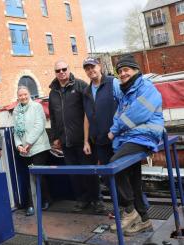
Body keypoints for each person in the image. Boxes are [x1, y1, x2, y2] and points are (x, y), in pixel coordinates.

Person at [108, 55, 164, 236]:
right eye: (120, 71)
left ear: (136, 71)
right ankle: (145, 220)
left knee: (114, 166)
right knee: (133, 179)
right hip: (132, 138)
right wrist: (116, 130)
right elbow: (119, 114)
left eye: (126, 70)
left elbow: (135, 115)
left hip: (144, 138)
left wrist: (114, 130)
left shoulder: (146, 88)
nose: (123, 74)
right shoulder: (127, 92)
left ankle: (130, 210)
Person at [48, 60, 102, 213]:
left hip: (83, 139)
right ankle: (82, 200)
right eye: (58, 70)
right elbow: (53, 117)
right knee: (74, 173)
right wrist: (55, 137)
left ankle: (96, 200)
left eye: (64, 69)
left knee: (89, 171)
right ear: (55, 73)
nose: (61, 72)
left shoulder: (80, 86)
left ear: (69, 69)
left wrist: (89, 138)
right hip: (65, 140)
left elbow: (89, 111)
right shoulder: (53, 93)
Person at [82, 57, 122, 212]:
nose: (91, 70)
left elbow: (124, 105)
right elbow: (87, 116)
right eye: (87, 68)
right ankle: (119, 209)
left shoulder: (113, 82)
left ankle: (137, 210)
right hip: (99, 141)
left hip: (117, 138)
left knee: (124, 174)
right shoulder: (86, 91)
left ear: (99, 66)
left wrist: (116, 130)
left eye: (93, 66)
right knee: (107, 177)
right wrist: (86, 140)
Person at [13, 86, 51, 216]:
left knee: (36, 174)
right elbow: (16, 130)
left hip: (38, 146)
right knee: (32, 175)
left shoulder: (36, 107)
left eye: (25, 94)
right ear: (17, 97)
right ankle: (44, 199)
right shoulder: (16, 110)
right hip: (25, 150)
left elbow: (39, 126)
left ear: (29, 94)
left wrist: (28, 143)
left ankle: (32, 204)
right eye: (20, 95)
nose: (23, 97)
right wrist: (19, 145)